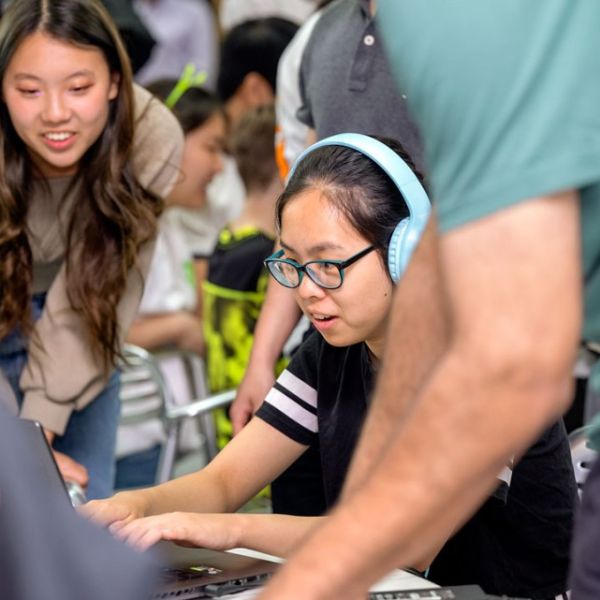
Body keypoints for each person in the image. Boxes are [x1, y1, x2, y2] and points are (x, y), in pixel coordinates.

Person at [82, 135, 575, 598]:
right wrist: (136, 506)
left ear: (408, 252)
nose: (307, 289)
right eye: (292, 264)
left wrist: (228, 530)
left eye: (328, 264)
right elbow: (224, 482)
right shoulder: (328, 351)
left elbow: (406, 540)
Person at [253, 2, 599, 600]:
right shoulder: (374, 31)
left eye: (329, 264)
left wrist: (322, 568)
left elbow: (516, 367)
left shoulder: (452, 21)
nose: (311, 286)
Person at [0, 0, 183, 499]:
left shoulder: (149, 134)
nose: (55, 114)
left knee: (81, 517)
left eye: (79, 88)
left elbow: (95, 290)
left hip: (85, 325)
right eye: (28, 90)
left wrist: (34, 435)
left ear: (114, 83)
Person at [230, 0, 424, 434]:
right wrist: (263, 360)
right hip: (332, 345)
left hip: (442, 348)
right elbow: (304, 211)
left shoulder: (476, 35)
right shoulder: (316, 37)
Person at [114, 79, 226, 490]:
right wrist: (179, 328)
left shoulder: (171, 225)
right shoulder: (119, 232)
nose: (218, 167)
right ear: (167, 138)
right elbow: (90, 328)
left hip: (174, 431)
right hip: (131, 436)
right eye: (212, 147)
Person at [133, 0, 219, 90]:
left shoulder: (195, 11)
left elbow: (202, 70)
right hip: (133, 95)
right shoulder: (130, 7)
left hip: (174, 98)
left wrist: (178, 99)